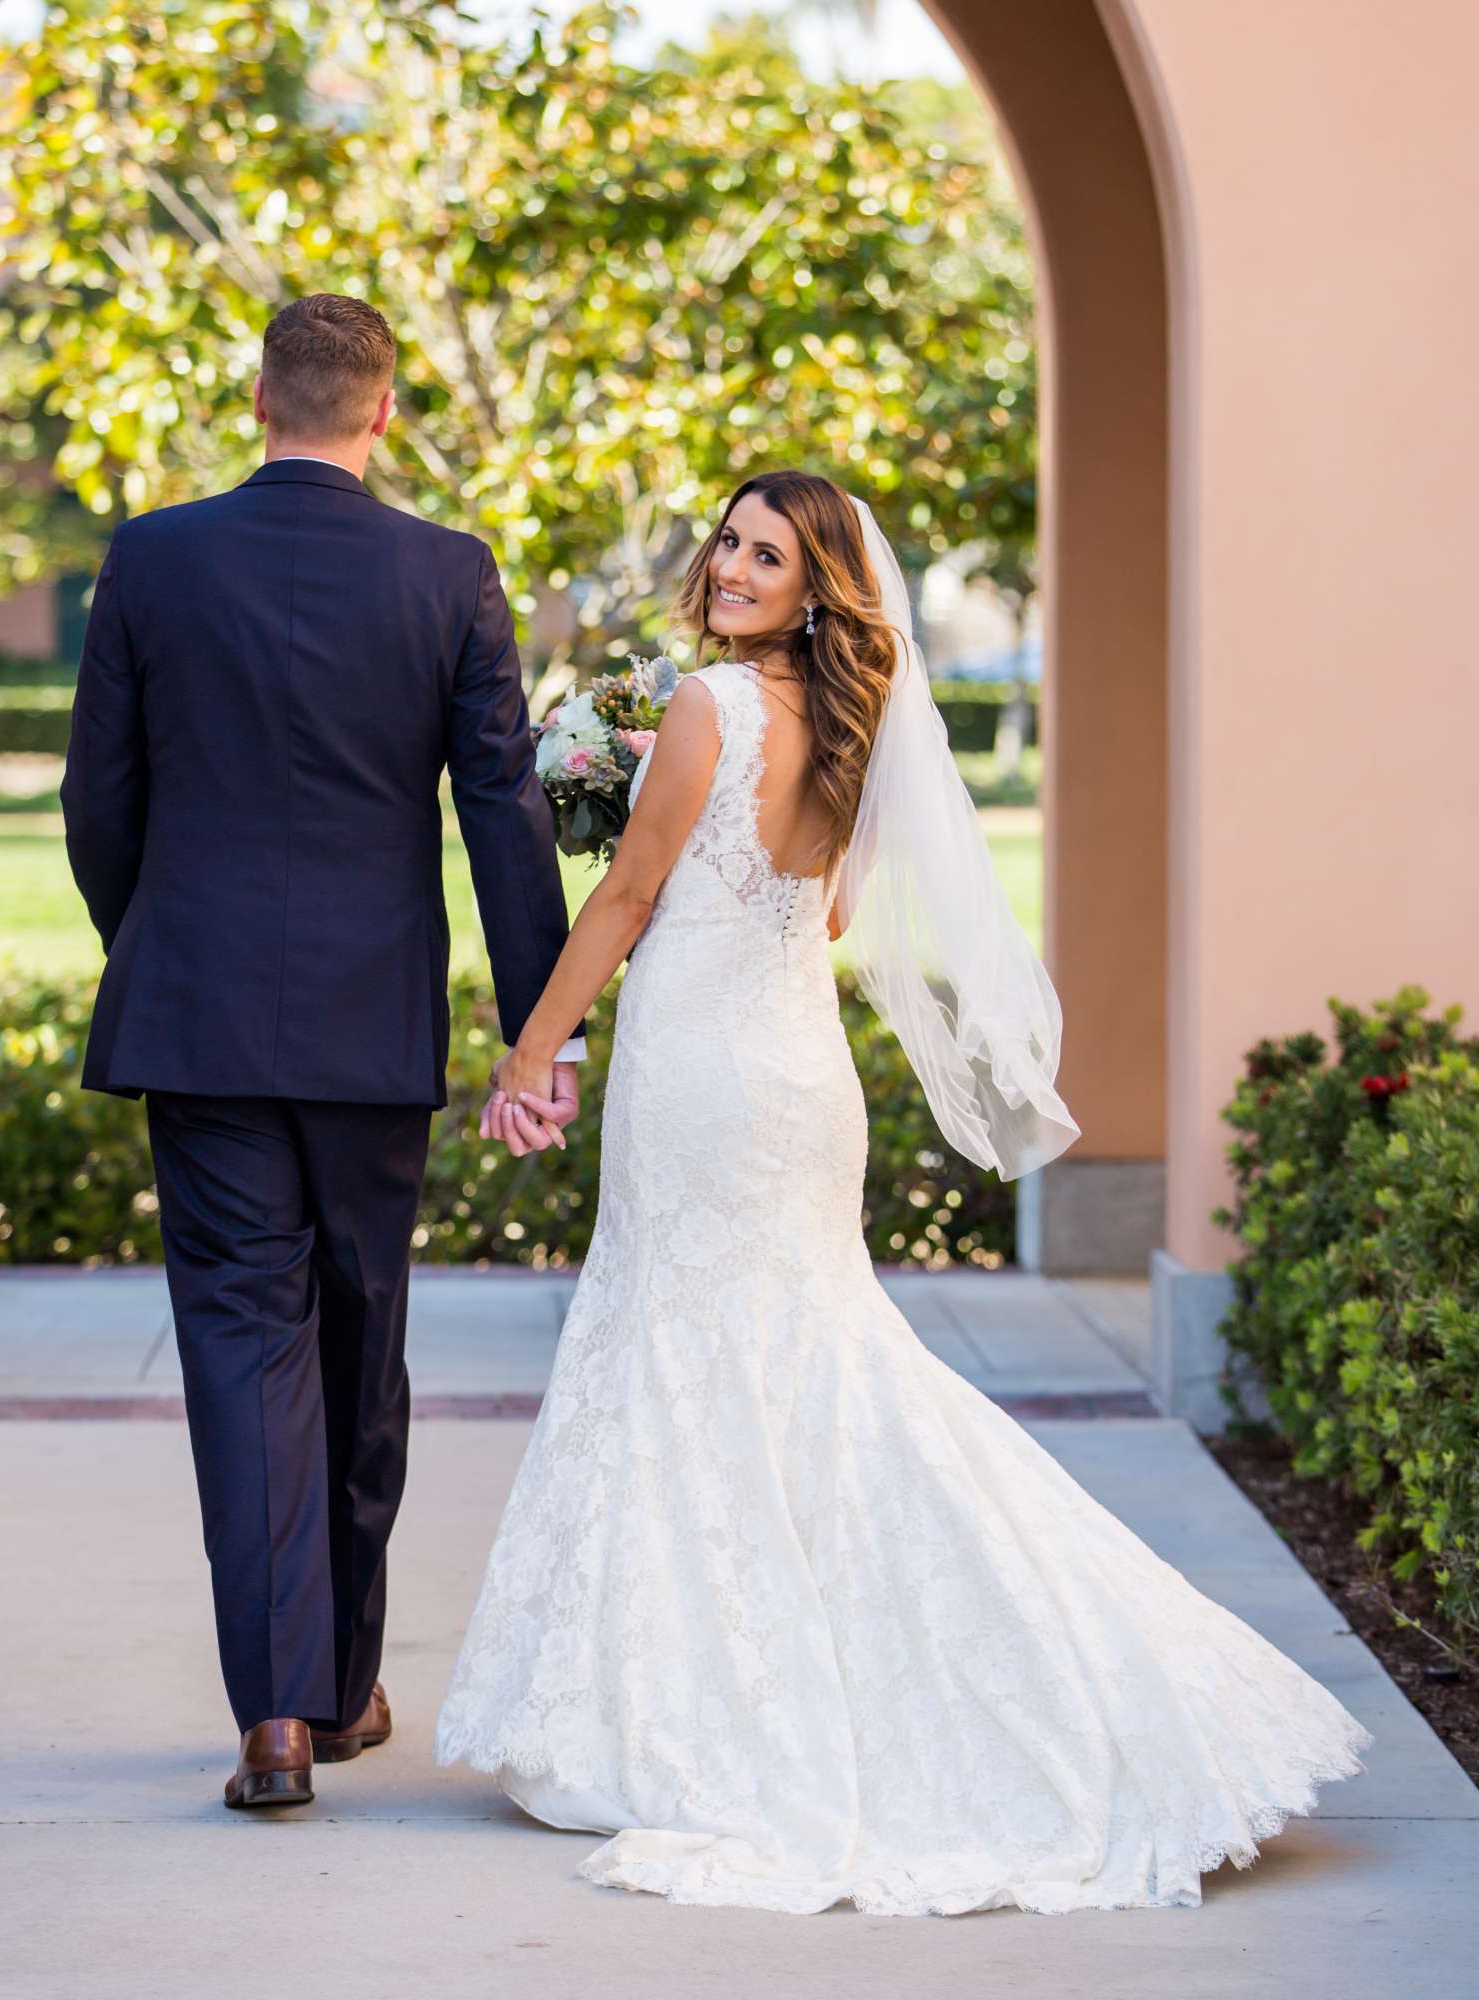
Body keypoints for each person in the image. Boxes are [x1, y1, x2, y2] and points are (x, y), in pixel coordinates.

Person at [434, 468, 1373, 1915]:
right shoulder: (860, 730)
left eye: (771, 555)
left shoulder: (707, 707)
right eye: (732, 542)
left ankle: (681, 1707)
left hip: (704, 1085)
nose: (737, 567)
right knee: (810, 1366)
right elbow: (834, 910)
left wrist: (528, 1054)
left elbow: (626, 897)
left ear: (819, 587)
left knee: (696, 1364)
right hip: (804, 1082)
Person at [60, 293, 581, 1811]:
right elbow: (504, 809)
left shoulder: (154, 558)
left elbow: (101, 802)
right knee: (360, 1346)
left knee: (242, 1347)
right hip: (372, 1031)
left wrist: (154, 945)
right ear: (386, 406)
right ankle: (339, 1689)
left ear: (260, 394)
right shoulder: (448, 573)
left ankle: (281, 1714)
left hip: (199, 1024)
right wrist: (532, 1030)